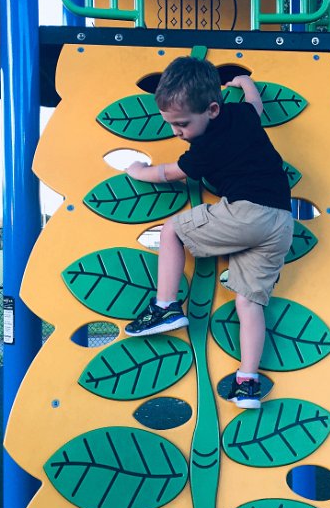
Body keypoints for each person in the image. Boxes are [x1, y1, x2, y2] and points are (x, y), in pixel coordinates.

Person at [124, 57, 294, 409]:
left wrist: (139, 171)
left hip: (248, 213)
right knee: (249, 302)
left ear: (212, 110)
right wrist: (244, 81)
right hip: (280, 221)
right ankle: (248, 381)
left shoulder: (205, 147)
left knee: (172, 230)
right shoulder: (242, 116)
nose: (177, 132)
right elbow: (255, 104)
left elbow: (170, 173)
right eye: (172, 124)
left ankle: (166, 306)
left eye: (182, 124)